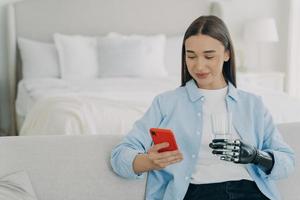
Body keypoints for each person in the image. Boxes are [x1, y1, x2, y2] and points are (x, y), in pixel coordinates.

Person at [110, 15, 295, 200]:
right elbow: (120, 157)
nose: (199, 65)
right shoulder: (166, 103)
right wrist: (148, 161)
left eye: (209, 56)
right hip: (196, 192)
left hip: (249, 192)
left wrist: (256, 156)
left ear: (226, 54)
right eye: (191, 56)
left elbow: (287, 161)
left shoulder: (253, 104)